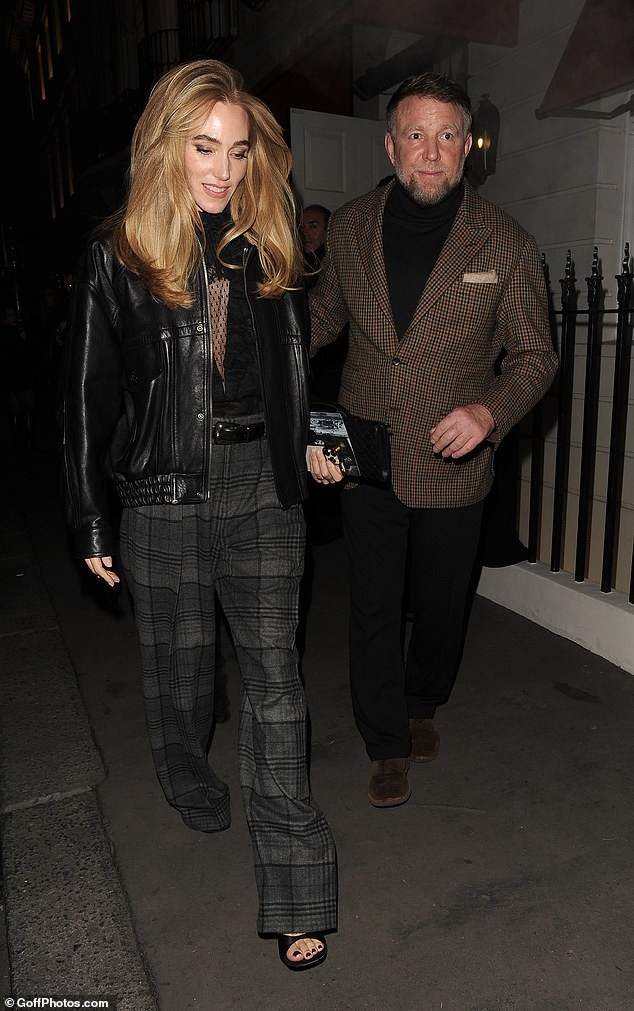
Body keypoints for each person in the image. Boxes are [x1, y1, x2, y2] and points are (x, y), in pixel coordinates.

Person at [60, 58, 337, 971]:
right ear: (166, 145)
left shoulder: (271, 245)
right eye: (204, 146)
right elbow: (87, 399)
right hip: (165, 495)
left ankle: (296, 891)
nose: (223, 169)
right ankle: (185, 769)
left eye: (239, 150)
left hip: (262, 487)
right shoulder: (121, 254)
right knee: (181, 683)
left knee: (276, 684)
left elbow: (290, 372)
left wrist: (307, 443)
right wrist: (90, 518)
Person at [308, 72, 558, 809]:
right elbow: (319, 320)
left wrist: (489, 412)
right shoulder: (351, 227)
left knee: (443, 604)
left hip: (455, 456)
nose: (431, 151)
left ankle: (422, 701)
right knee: (374, 604)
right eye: (415, 135)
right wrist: (258, 357)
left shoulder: (505, 240)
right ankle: (385, 741)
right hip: (367, 452)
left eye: (447, 136)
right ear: (390, 145)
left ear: (466, 146)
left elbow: (537, 356)